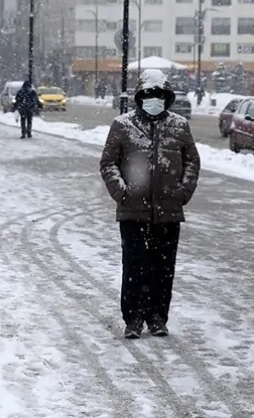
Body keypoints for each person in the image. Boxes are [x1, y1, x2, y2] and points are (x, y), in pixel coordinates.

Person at [99, 69, 201, 339]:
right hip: (133, 211)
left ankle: (157, 317)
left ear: (167, 98)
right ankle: (133, 318)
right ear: (140, 96)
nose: (154, 99)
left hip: (168, 212)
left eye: (159, 95)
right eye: (149, 94)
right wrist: (121, 192)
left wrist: (182, 193)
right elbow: (108, 162)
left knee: (163, 268)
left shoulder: (179, 126)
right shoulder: (122, 125)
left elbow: (192, 161)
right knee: (134, 266)